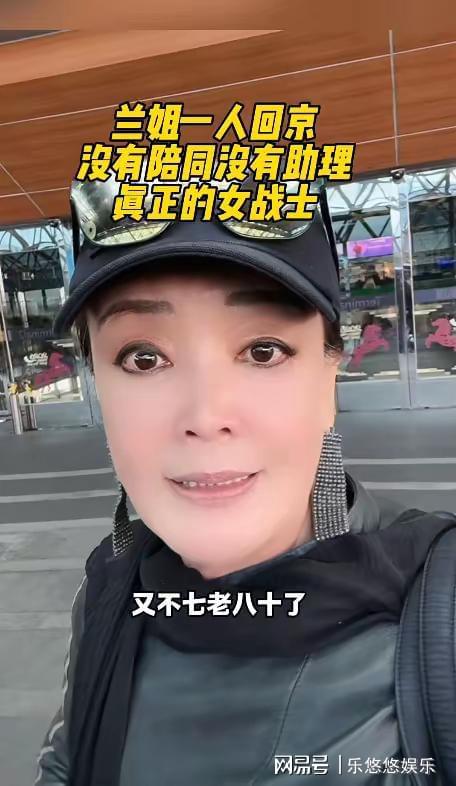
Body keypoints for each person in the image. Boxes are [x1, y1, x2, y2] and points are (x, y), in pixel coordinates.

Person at [35, 177, 454, 786]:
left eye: (263, 351)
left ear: (329, 381)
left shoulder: (440, 609)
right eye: (143, 359)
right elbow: (68, 758)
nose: (207, 417)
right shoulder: (112, 583)